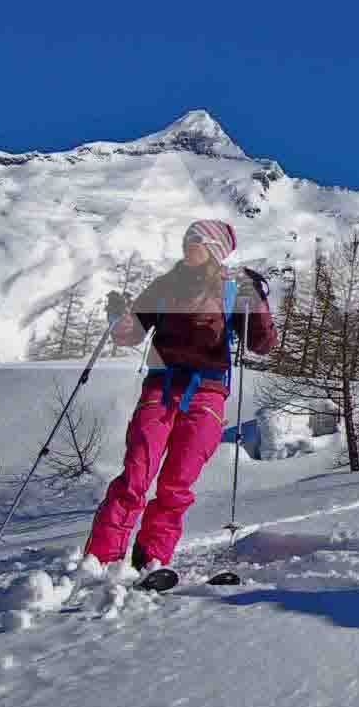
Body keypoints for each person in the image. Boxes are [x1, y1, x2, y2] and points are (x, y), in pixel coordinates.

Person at [84, 220, 277, 571]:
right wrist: (118, 318)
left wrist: (258, 302)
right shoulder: (165, 286)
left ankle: (152, 558)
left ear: (215, 249)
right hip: (161, 385)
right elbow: (130, 334)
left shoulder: (232, 290)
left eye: (197, 240)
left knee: (177, 482)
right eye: (187, 238)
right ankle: (101, 558)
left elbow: (261, 344)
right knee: (136, 473)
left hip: (208, 391)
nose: (188, 245)